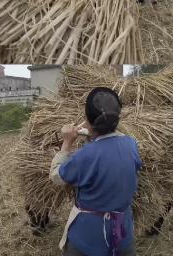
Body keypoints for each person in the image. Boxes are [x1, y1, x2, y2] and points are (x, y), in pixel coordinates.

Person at [49, 87, 142, 256]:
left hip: (88, 241)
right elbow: (113, 145)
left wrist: (67, 142)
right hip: (123, 236)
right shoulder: (131, 144)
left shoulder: (85, 155)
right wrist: (94, 133)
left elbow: (56, 176)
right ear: (118, 118)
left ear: (87, 121)